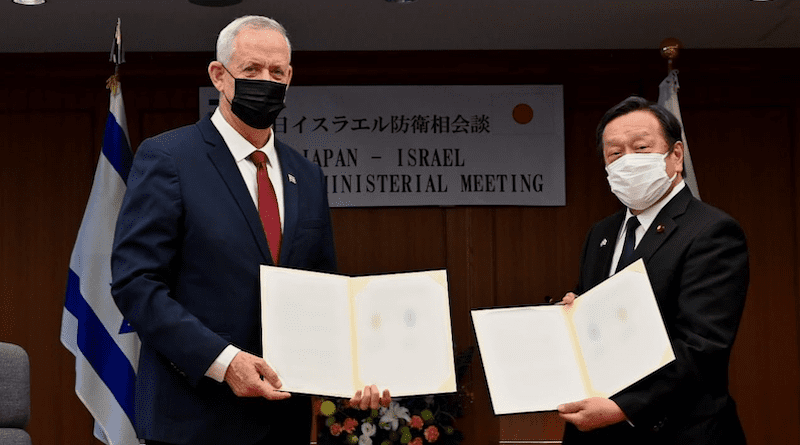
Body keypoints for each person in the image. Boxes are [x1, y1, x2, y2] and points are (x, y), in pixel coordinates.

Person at [111, 15, 388, 445]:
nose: (267, 81)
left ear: (290, 77)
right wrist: (223, 362)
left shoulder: (307, 176)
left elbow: (322, 291)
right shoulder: (169, 158)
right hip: (194, 422)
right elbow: (135, 283)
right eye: (252, 70)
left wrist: (350, 375)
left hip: (285, 423)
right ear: (219, 76)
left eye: (277, 72)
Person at [556, 96, 749, 444]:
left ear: (676, 155)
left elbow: (702, 346)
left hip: (679, 430)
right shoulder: (601, 233)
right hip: (598, 432)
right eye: (615, 153)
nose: (627, 160)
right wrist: (575, 314)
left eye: (641, 147)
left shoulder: (711, 231)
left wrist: (623, 408)